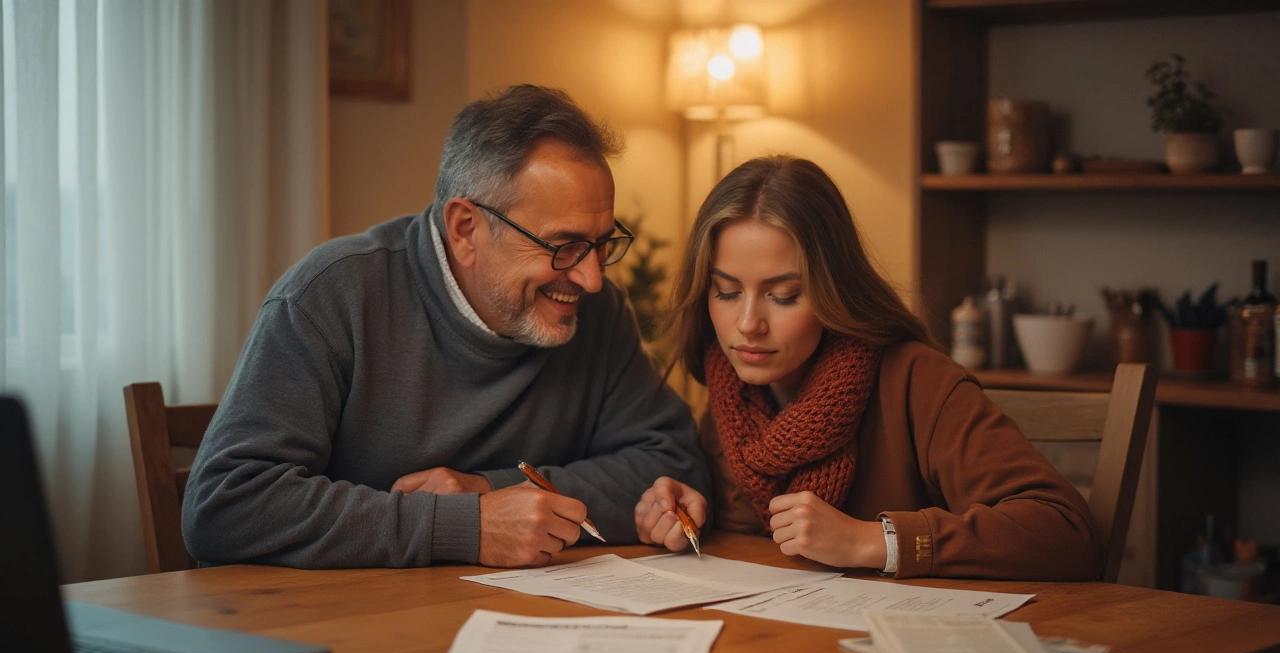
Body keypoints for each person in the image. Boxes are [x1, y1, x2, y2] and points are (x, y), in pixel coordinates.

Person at [184, 85, 710, 569]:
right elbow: (227, 503)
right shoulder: (331, 296)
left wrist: (486, 490)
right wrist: (466, 527)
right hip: (347, 632)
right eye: (563, 245)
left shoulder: (597, 312)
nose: (592, 278)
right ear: (465, 229)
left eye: (600, 244)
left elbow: (672, 467)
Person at [634, 155, 1099, 580]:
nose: (748, 324)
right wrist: (691, 512)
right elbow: (752, 542)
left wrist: (869, 541)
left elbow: (1065, 530)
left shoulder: (918, 381)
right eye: (727, 292)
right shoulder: (731, 395)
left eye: (785, 295)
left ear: (834, 290)